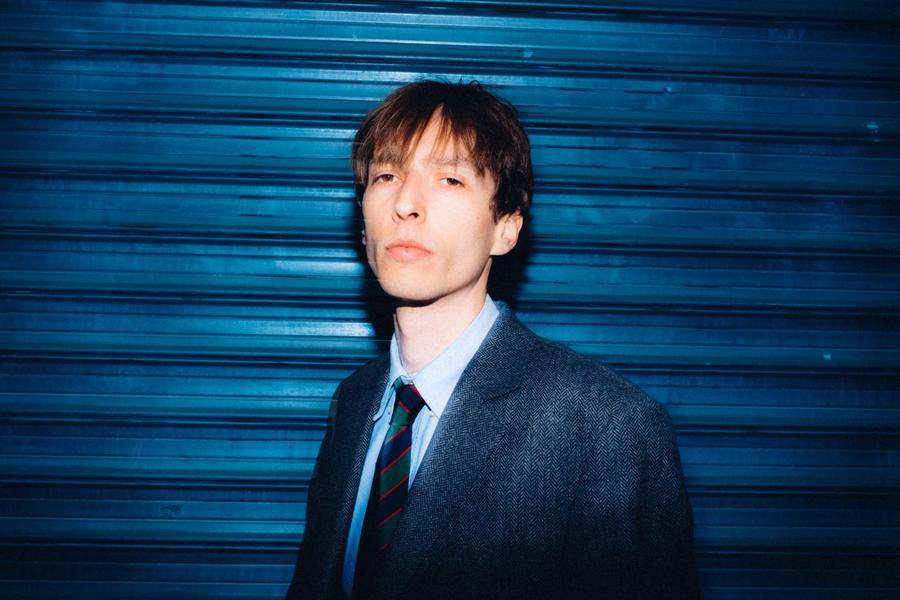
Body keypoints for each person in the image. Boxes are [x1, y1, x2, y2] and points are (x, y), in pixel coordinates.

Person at [285, 80, 699, 600]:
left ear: (506, 227)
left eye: (450, 179)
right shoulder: (354, 402)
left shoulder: (607, 426)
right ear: (363, 226)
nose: (406, 203)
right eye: (387, 175)